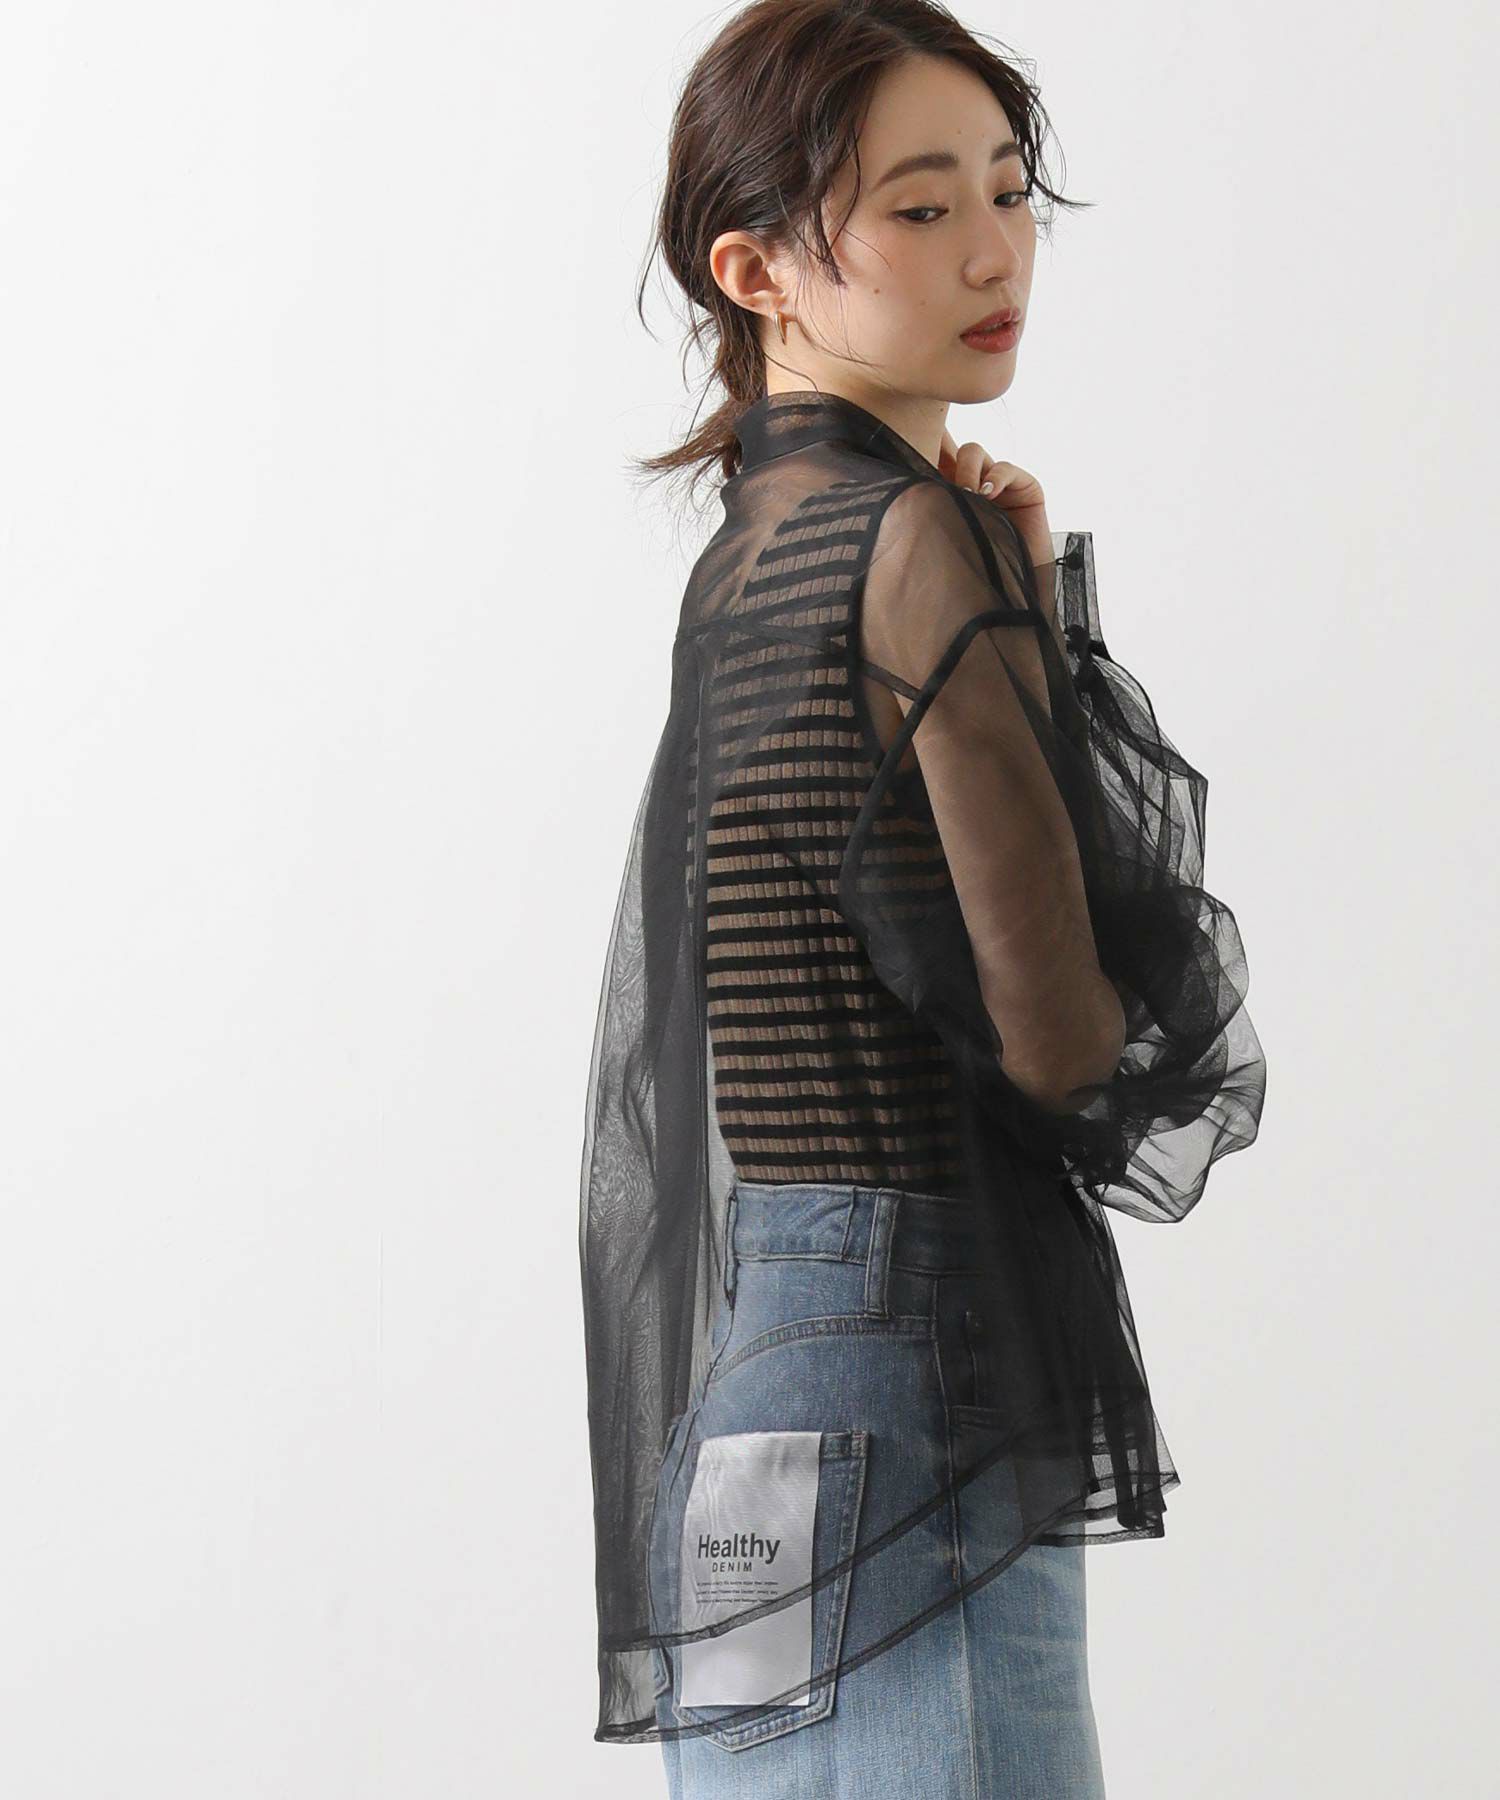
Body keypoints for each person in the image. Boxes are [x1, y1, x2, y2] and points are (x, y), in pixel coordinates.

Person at [578, 3, 1267, 1794]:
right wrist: (1025, 641)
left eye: (1012, 191)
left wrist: (1011, 626)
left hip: (764, 1378)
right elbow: (1065, 1045)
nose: (991, 251)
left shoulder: (748, 556)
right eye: (917, 206)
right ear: (756, 271)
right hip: (911, 1361)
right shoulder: (909, 544)